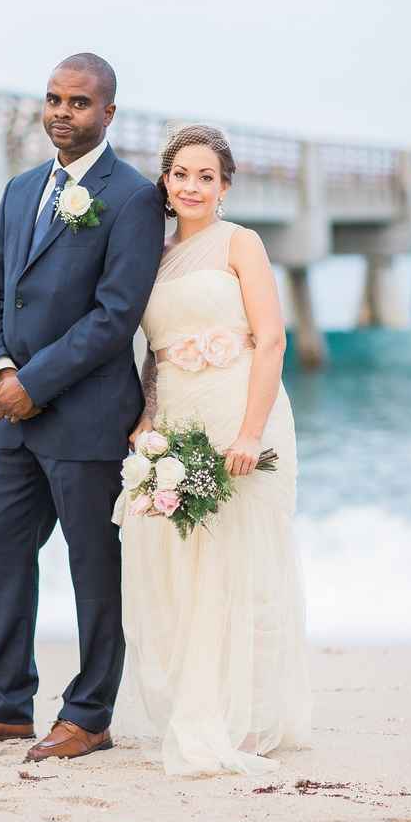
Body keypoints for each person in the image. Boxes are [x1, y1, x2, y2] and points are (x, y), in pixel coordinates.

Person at [0, 53, 165, 760]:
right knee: (0, 549)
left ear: (108, 113)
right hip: (13, 417)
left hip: (87, 418)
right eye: (54, 99)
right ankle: (3, 704)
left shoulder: (133, 198)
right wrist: (3, 371)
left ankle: (89, 715)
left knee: (94, 569)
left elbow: (115, 316)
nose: (62, 112)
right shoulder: (22, 188)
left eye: (79, 102)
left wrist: (36, 383)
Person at [115, 124, 311, 775]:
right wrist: (147, 418)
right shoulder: (153, 254)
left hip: (239, 411)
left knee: (242, 562)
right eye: (181, 175)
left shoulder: (240, 243)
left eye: (206, 176)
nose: (192, 186)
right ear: (165, 182)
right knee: (178, 563)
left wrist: (250, 432)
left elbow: (272, 340)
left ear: (224, 186)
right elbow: (154, 352)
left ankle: (247, 717)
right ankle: (199, 702)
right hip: (177, 416)